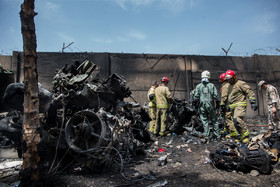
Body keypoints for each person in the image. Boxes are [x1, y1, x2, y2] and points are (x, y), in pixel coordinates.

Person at [221, 70, 258, 143]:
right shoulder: (228, 86)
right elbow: (227, 96)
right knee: (234, 122)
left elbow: (249, 91)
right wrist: (226, 105)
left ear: (234, 77)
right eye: (228, 79)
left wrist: (252, 101)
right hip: (232, 106)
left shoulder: (240, 83)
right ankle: (241, 136)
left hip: (240, 104)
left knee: (237, 119)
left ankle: (246, 136)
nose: (229, 80)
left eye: (230, 78)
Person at [193, 70, 220, 142]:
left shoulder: (198, 86)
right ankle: (217, 136)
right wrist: (218, 102)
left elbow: (196, 96)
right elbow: (215, 95)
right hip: (210, 105)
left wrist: (195, 103)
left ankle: (207, 136)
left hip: (202, 105)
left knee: (205, 121)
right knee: (214, 120)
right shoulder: (212, 85)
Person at [219, 73, 238, 139]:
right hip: (232, 104)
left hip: (227, 105)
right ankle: (227, 130)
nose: (220, 81)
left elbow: (224, 97)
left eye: (221, 80)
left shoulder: (225, 86)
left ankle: (233, 133)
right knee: (230, 118)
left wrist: (222, 105)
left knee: (228, 118)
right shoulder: (231, 85)